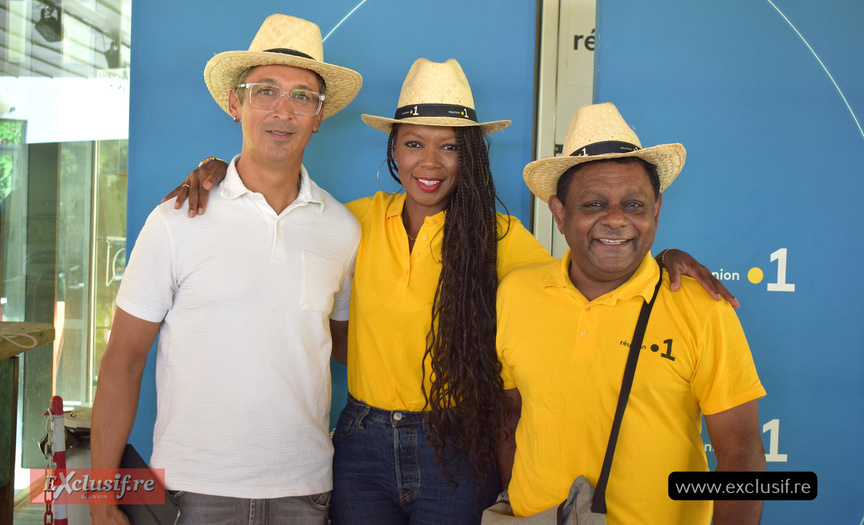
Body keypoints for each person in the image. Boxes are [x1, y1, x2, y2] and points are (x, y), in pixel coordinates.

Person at [168, 62, 736, 524]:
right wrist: (219, 172)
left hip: (457, 443)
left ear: (471, 157)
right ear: (393, 151)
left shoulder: (503, 238)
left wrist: (664, 261)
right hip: (361, 444)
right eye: (414, 144)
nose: (430, 163)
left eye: (450, 147)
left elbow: (593, 263)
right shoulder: (351, 223)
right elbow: (283, 210)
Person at [89, 15, 362, 525]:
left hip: (305, 491)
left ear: (320, 115)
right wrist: (102, 499)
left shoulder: (343, 229)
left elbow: (344, 345)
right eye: (265, 91)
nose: (284, 110)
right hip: (190, 490)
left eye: (303, 96)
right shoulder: (176, 218)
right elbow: (123, 358)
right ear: (235, 103)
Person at [495, 102, 766, 524]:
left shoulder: (700, 307)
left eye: (634, 205)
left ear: (656, 209)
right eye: (594, 204)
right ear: (560, 213)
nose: (617, 220)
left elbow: (741, 451)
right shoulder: (517, 292)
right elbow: (508, 417)